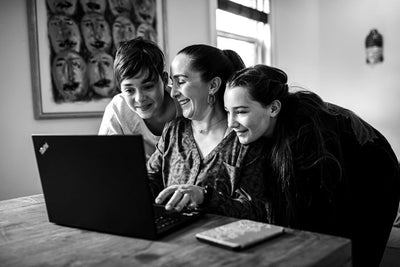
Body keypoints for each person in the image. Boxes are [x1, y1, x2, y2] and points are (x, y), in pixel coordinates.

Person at [223, 64, 400, 266]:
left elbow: (315, 219)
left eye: (241, 112)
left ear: (273, 108)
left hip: (376, 178)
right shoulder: (265, 130)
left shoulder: (305, 135)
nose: (231, 123)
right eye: (228, 111)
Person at [147, 44, 268, 221]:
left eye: (181, 82)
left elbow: (256, 211)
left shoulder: (244, 137)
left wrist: (205, 197)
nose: (173, 92)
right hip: (172, 239)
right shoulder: (174, 131)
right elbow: (152, 179)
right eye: (172, 83)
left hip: (223, 243)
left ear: (213, 85)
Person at [98, 37, 180, 159]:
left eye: (148, 87)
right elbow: (104, 160)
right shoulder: (117, 109)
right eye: (129, 90)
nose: (139, 98)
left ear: (164, 79)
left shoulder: (185, 105)